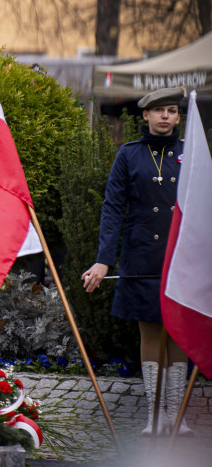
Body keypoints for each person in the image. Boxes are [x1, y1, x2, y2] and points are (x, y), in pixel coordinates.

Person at [82, 87, 191, 436]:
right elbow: (113, 209)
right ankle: (154, 415)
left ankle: (177, 415)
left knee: (179, 329)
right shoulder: (129, 154)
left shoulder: (191, 155)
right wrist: (103, 261)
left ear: (178, 116)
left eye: (172, 111)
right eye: (159, 111)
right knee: (150, 327)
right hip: (141, 253)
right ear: (144, 115)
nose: (165, 117)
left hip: (180, 255)